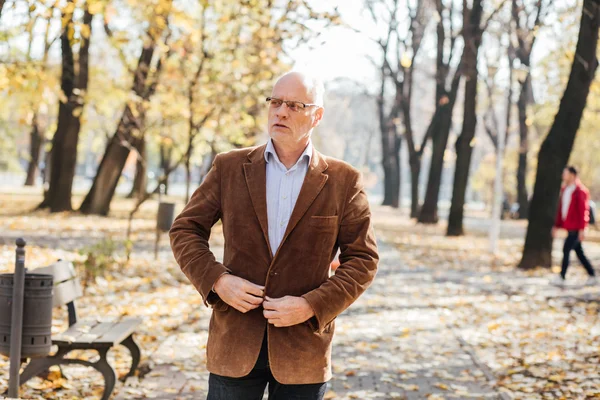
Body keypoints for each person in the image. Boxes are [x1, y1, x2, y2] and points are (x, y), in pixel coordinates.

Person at [169, 71, 379, 400]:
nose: (281, 112)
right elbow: (185, 229)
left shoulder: (343, 180)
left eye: (295, 105)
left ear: (317, 116)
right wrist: (218, 281)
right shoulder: (229, 167)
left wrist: (313, 304)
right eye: (276, 102)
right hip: (234, 343)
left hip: (303, 348)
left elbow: (363, 260)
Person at [551, 166, 597, 286]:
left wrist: (583, 229)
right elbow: (562, 210)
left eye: (565, 173)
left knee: (566, 249)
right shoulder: (565, 190)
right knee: (579, 252)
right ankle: (592, 274)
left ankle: (562, 276)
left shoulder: (580, 191)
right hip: (569, 227)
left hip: (576, 228)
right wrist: (557, 225)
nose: (563, 176)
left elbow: (583, 211)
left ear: (572, 175)